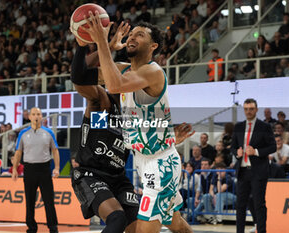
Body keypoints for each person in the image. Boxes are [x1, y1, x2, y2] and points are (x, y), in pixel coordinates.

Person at [71, 21, 194, 233]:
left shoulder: (152, 72)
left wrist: (100, 39)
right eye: (131, 34)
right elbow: (81, 75)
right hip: (144, 163)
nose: (132, 38)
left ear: (153, 46)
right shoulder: (123, 71)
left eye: (140, 35)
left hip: (160, 165)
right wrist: (105, 45)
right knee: (176, 224)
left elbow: (114, 85)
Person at [231, 98, 276, 233]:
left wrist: (256, 151)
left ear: (256, 110)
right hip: (243, 171)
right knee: (240, 205)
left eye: (251, 109)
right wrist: (237, 152)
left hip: (258, 171)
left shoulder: (265, 127)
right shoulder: (238, 127)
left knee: (259, 205)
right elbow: (233, 147)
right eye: (246, 109)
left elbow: (273, 147)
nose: (248, 111)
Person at [12, 107, 60, 233]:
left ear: (41, 116)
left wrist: (57, 168)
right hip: (29, 169)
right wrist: (15, 169)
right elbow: (18, 152)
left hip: (44, 169)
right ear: (29, 117)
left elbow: (55, 151)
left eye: (38, 114)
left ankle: (53, 227)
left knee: (49, 200)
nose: (36, 116)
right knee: (30, 200)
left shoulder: (49, 132)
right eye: (33, 114)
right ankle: (31, 227)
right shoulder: (23, 133)